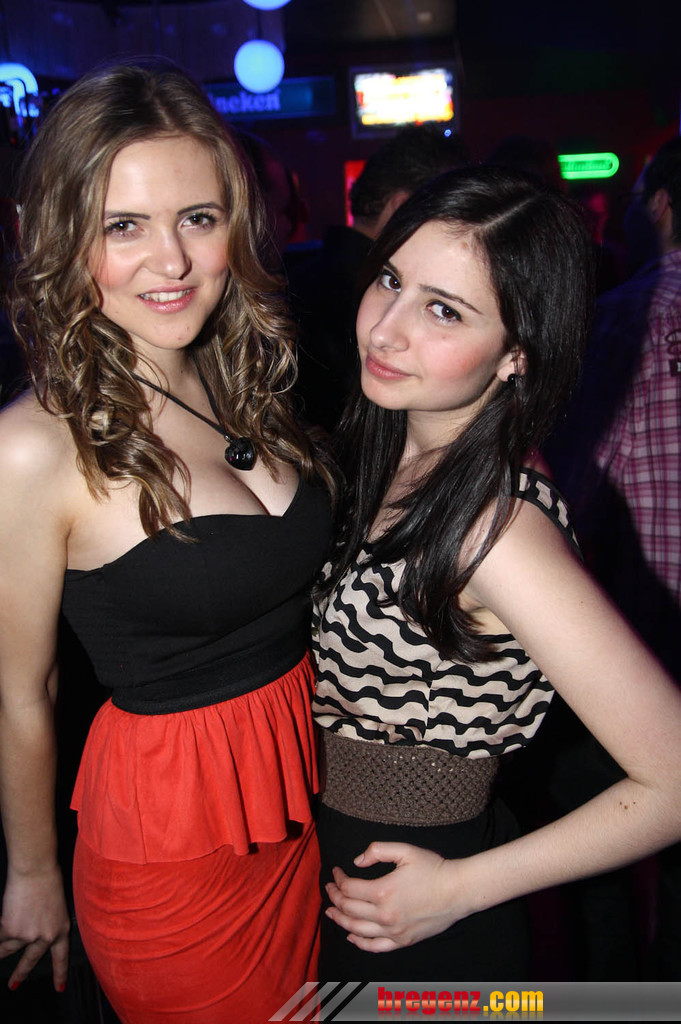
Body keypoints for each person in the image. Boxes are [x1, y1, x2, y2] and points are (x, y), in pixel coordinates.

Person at [0, 62, 333, 1023]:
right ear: (60, 238)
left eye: (197, 217)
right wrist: (33, 872)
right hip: (173, 853)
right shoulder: (33, 447)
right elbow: (22, 691)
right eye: (123, 226)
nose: (173, 260)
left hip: (301, 806)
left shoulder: (245, 382)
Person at [311, 166, 681, 981]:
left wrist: (461, 888)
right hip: (347, 874)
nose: (386, 329)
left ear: (517, 354)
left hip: (418, 915)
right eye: (390, 281)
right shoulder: (396, 454)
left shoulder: (495, 529)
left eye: (443, 310)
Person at [290, 124, 468, 431]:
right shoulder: (351, 290)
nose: (459, 228)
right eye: (448, 212)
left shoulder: (299, 276)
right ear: (402, 208)